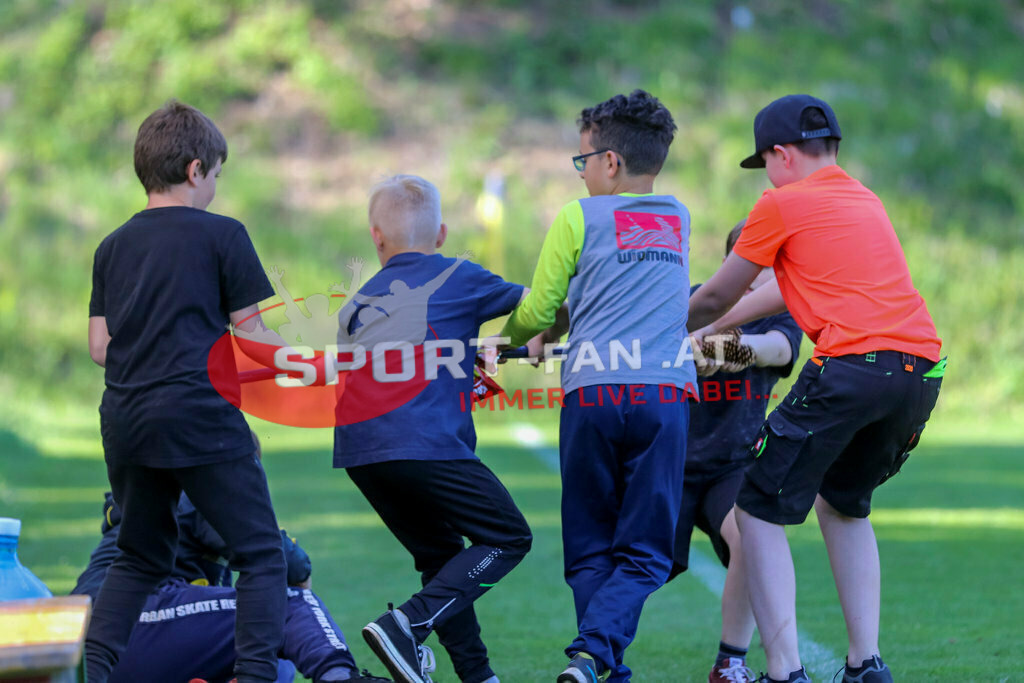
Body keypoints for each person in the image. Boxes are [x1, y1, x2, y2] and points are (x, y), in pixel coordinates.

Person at [687, 94, 944, 683]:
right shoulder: (863, 199)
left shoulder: (782, 203)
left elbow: (715, 294)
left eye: (765, 164)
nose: (767, 177)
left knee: (756, 505)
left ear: (782, 154)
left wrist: (669, 328)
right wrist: (713, 331)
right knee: (843, 504)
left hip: (851, 366)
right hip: (917, 372)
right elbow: (780, 290)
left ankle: (784, 670)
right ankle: (865, 664)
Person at [86, 100, 288, 683]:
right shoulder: (223, 234)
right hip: (200, 417)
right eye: (217, 174)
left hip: (126, 420)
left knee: (138, 556)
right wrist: (311, 364)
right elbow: (254, 337)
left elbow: (100, 346)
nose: (216, 187)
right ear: (196, 170)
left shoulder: (112, 245)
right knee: (261, 555)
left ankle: (88, 673)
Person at [500, 89, 696, 683]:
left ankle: (594, 660)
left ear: (610, 162)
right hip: (663, 396)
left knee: (589, 546)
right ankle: (595, 659)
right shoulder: (679, 217)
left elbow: (540, 309)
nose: (580, 172)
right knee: (647, 552)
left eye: (582, 160)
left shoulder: (577, 216)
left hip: (593, 394)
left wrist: (511, 339)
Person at [333, 175, 532, 683]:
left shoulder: (354, 306)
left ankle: (478, 676)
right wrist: (527, 336)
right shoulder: (459, 275)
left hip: (361, 452)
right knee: (508, 537)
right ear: (441, 235)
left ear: (376, 237)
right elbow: (539, 304)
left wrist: (460, 360)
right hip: (425, 443)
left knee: (441, 558)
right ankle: (407, 624)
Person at [667, 221, 803, 683]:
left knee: (751, 536)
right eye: (752, 263)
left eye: (773, 266)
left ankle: (730, 662)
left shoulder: (782, 314)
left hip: (732, 466)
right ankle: (595, 653)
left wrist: (727, 349)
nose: (761, 275)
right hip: (668, 463)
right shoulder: (693, 303)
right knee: (636, 560)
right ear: (730, 265)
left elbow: (777, 350)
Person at [71, 490, 390, 683]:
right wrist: (299, 571)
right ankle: (340, 676)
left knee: (263, 645)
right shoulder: (200, 486)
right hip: (132, 620)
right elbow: (281, 559)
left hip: (84, 646)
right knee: (287, 605)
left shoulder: (151, 493)